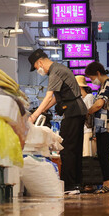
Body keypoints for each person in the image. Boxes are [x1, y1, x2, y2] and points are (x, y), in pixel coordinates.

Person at [28, 49, 87, 195]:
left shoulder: (55, 71)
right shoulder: (60, 69)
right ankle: (76, 184)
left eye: (36, 67)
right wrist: (42, 110)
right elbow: (55, 98)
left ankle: (69, 185)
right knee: (74, 149)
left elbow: (48, 97)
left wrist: (33, 116)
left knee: (66, 148)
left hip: (73, 111)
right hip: (77, 111)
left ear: (40, 62)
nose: (38, 70)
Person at [85, 62, 109, 193]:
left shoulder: (108, 84)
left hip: (107, 125)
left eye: (92, 77)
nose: (92, 81)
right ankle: (107, 182)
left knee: (104, 154)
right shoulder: (104, 85)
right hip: (102, 126)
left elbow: (99, 104)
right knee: (103, 153)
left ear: (98, 73)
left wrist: (88, 112)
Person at [76, 75, 96, 158]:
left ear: (80, 87)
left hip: (88, 130)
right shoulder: (81, 98)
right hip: (82, 130)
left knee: (87, 154)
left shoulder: (89, 97)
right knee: (83, 154)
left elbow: (92, 114)